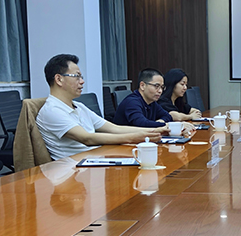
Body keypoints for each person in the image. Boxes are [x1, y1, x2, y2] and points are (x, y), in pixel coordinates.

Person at [36, 54, 166, 161]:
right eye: (77, 76)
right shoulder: (52, 111)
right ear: (59, 79)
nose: (82, 81)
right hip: (72, 169)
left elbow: (113, 128)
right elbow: (87, 138)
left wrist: (154, 131)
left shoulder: (79, 106)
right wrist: (134, 138)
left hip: (95, 159)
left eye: (81, 77)